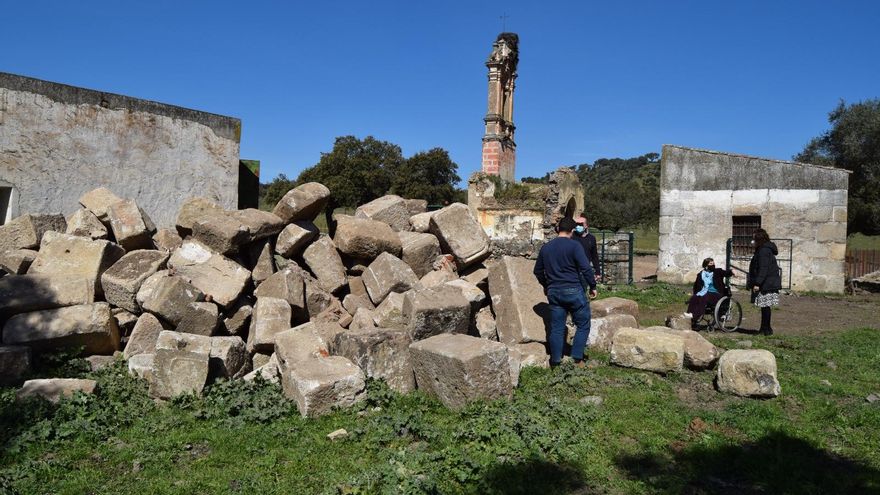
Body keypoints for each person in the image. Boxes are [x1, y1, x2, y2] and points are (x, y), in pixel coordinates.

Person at [533, 217, 598, 367]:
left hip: (554, 291)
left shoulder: (546, 247)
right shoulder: (574, 246)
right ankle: (576, 358)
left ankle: (556, 361)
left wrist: (546, 285)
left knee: (557, 327)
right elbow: (586, 268)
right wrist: (592, 286)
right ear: (573, 230)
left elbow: (537, 271)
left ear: (558, 229)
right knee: (583, 324)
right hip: (573, 289)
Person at [684, 257, 734, 330]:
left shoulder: (717, 271)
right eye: (711, 263)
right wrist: (696, 294)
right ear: (706, 265)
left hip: (716, 294)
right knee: (695, 297)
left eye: (713, 263)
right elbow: (696, 286)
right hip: (704, 292)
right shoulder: (701, 274)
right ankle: (690, 315)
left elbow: (726, 273)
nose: (713, 264)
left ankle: (695, 316)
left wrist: (732, 271)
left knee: (704, 296)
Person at [748, 228, 781, 335]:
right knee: (764, 306)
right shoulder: (763, 249)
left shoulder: (763, 250)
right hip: (767, 282)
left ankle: (766, 330)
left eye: (754, 238)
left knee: (765, 306)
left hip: (767, 283)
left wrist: (757, 283)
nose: (752, 241)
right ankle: (764, 329)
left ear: (759, 239)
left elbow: (763, 268)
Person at [574, 216, 602, 281]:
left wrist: (597, 272)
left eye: (581, 224)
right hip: (573, 270)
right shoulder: (572, 237)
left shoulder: (591, 238)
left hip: (585, 269)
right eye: (577, 224)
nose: (578, 226)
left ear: (586, 226)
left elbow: (594, 255)